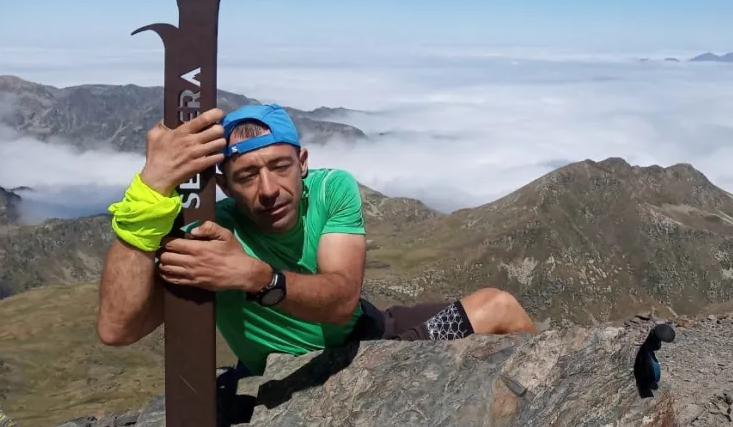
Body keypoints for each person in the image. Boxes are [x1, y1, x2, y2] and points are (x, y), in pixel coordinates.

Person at [95, 103, 536, 376]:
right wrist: (148, 195)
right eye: (247, 176)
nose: (268, 189)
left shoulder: (331, 189)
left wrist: (255, 277)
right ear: (225, 187)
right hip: (287, 373)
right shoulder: (210, 233)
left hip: (371, 340)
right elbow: (118, 329)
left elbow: (342, 298)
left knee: (500, 306)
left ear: (302, 162)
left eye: (280, 167)